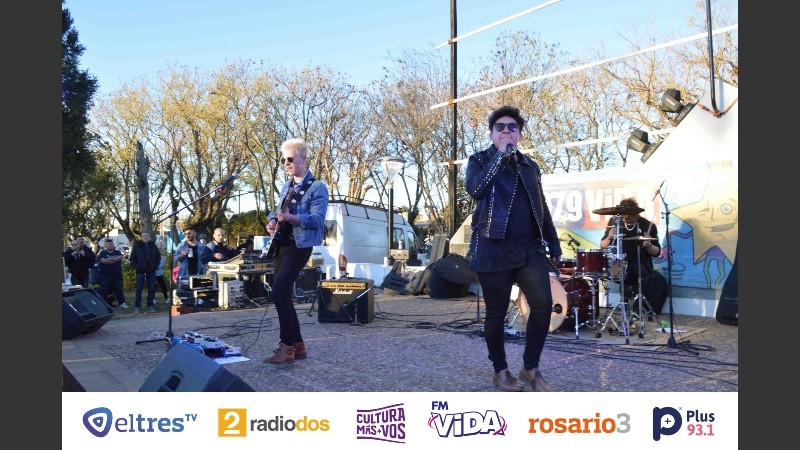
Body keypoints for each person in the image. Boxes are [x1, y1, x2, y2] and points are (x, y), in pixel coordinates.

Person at [465, 105, 562, 392]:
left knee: (543, 304)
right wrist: (500, 157)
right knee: (496, 314)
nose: (506, 131)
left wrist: (553, 241)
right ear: (492, 134)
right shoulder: (479, 160)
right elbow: (476, 189)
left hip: (528, 247)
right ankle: (500, 370)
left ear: (519, 134)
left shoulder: (530, 166)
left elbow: (541, 206)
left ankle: (530, 367)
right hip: (492, 246)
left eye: (512, 127)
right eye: (500, 127)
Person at [264, 138, 328, 364]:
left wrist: (292, 218)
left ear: (303, 158)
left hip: (300, 245)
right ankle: (298, 345)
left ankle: (286, 347)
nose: (286, 163)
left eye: (290, 159)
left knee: (279, 292)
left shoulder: (317, 187)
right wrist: (273, 220)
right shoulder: (286, 185)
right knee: (282, 294)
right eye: (284, 160)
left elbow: (318, 220)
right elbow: (278, 211)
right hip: (281, 243)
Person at [599, 198, 668, 316]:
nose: (626, 218)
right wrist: (609, 237)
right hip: (618, 265)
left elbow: (656, 252)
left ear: (637, 214)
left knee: (638, 272)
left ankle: (636, 307)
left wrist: (648, 245)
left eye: (630, 215)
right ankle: (624, 304)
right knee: (607, 271)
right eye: (624, 216)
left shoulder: (647, 225)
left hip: (641, 264)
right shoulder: (615, 222)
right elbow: (603, 246)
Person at [129, 232, 161, 313]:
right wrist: (138, 267)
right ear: (141, 237)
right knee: (139, 289)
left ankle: (150, 306)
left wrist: (154, 266)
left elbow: (158, 258)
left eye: (147, 236)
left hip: (151, 271)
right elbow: (132, 259)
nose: (145, 237)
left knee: (151, 289)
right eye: (143, 236)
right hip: (140, 271)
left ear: (149, 237)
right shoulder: (137, 246)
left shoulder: (153, 246)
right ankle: (137, 307)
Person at [96, 239, 129, 309]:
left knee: (119, 289)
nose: (110, 245)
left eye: (111, 244)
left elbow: (119, 258)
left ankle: (122, 303)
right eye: (108, 244)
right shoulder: (103, 253)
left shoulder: (117, 252)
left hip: (117, 275)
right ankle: (104, 304)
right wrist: (114, 260)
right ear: (106, 245)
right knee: (104, 289)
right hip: (105, 275)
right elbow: (103, 261)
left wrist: (109, 259)